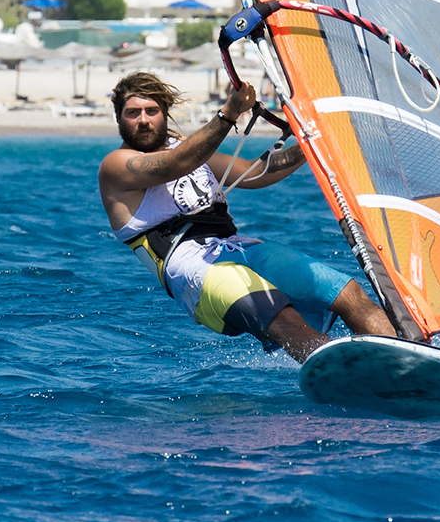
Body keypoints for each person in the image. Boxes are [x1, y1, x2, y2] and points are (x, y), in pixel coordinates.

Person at [98, 72, 394, 362]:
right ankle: (346, 372)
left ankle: (404, 357)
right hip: (192, 270)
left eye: (152, 111)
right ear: (119, 119)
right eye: (133, 113)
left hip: (237, 247)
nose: (144, 120)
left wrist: (311, 144)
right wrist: (230, 112)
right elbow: (173, 165)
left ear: (164, 113)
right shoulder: (116, 166)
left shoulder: (186, 149)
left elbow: (255, 173)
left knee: (345, 291)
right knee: (280, 315)